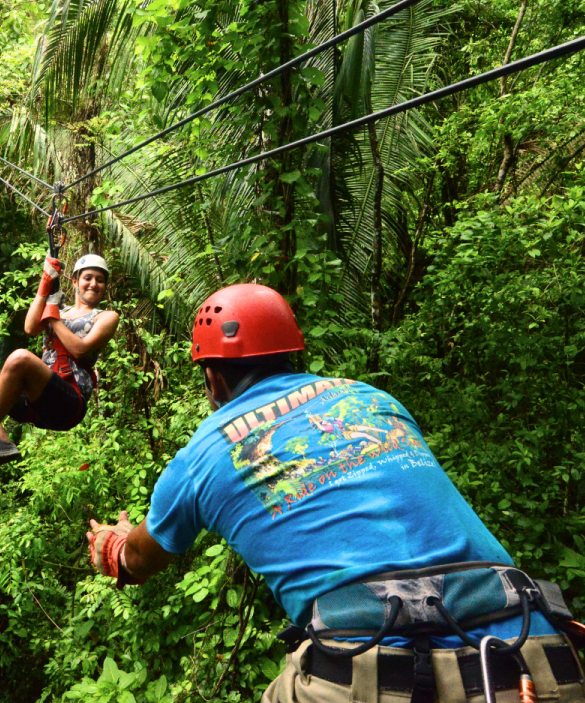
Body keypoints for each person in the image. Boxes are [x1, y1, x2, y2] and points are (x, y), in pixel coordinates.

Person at [86, 284, 584, 702]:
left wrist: (114, 544)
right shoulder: (371, 397)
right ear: (293, 354)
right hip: (533, 657)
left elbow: (141, 559)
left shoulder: (205, 453)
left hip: (369, 671)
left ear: (213, 379)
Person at [0, 253, 119, 469]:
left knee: (20, 358)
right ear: (75, 282)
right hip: (36, 400)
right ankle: (0, 441)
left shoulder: (106, 317)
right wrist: (45, 285)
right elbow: (31, 327)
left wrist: (53, 316)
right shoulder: (61, 310)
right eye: (87, 278)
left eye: (100, 280)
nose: (93, 284)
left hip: (68, 402)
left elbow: (79, 350)